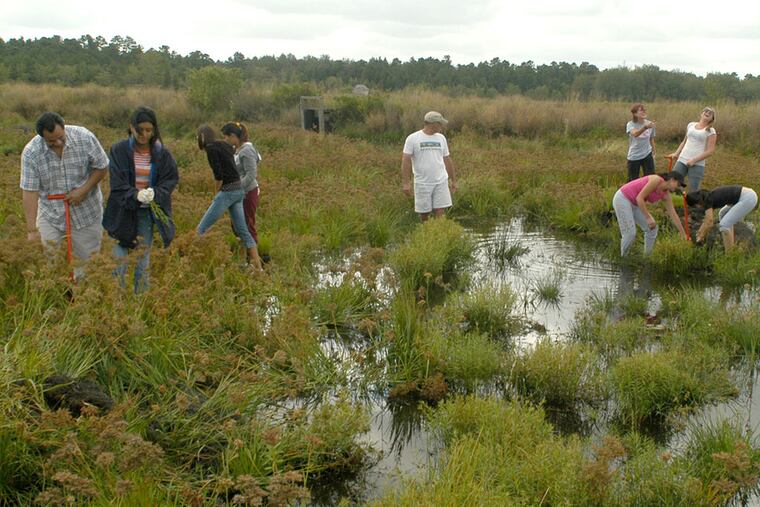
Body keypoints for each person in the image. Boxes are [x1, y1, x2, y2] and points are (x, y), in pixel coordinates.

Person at [20, 112, 109, 275]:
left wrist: (83, 190)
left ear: (64, 127)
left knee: (86, 265)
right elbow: (29, 191)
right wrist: (32, 231)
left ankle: (82, 295)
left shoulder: (84, 138)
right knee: (50, 263)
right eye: (51, 141)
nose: (59, 143)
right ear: (42, 138)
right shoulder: (31, 152)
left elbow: (102, 167)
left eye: (61, 137)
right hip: (51, 214)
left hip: (86, 213)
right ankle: (58, 294)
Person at [102, 107, 179, 293]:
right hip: (122, 211)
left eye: (148, 130)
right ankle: (118, 301)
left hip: (146, 212)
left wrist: (156, 193)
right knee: (119, 258)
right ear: (131, 127)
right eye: (140, 130)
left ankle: (140, 302)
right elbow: (117, 184)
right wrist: (135, 194)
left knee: (142, 259)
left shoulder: (162, 154)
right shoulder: (119, 150)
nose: (144, 134)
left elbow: (171, 179)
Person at [196, 125, 263, 270]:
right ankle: (259, 269)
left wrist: (216, 194)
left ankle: (194, 264)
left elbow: (219, 175)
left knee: (200, 229)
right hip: (239, 191)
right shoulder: (224, 145)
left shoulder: (211, 149)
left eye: (197, 137)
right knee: (243, 232)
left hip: (228, 192)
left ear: (202, 137)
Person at [612, 172, 687, 256]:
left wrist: (683, 233)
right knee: (630, 233)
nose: (679, 187)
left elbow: (673, 214)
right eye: (678, 184)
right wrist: (648, 217)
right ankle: (623, 259)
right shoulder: (656, 180)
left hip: (635, 204)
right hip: (622, 199)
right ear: (672, 179)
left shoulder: (666, 195)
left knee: (652, 229)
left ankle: (647, 256)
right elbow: (639, 198)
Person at [401, 111, 457, 221]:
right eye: (440, 123)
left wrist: (454, 180)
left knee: (440, 211)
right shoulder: (413, 138)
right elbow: (406, 160)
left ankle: (440, 233)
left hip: (441, 181)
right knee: (424, 214)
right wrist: (406, 183)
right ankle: (426, 233)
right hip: (422, 182)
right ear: (433, 124)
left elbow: (447, 159)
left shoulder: (441, 138)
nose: (442, 126)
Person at [221, 122, 261, 244]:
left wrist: (235, 186)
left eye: (226, 137)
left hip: (248, 193)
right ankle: (245, 257)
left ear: (233, 136)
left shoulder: (247, 150)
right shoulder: (236, 150)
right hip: (238, 193)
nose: (225, 139)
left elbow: (251, 175)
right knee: (237, 226)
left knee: (247, 225)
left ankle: (253, 259)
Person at [686, 185, 758, 251]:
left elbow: (710, 222)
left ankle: (729, 255)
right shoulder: (707, 197)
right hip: (747, 195)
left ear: (696, 204)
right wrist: (700, 232)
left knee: (724, 225)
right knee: (722, 214)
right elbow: (707, 219)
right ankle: (731, 245)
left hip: (748, 198)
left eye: (695, 207)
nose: (697, 208)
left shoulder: (707, 201)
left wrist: (700, 237)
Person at [668, 107, 717, 192]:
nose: (708, 113)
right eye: (706, 111)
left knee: (693, 191)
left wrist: (694, 160)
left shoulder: (711, 131)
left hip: (697, 163)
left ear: (712, 118)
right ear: (701, 114)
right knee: (673, 183)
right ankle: (678, 203)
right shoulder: (691, 125)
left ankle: (691, 205)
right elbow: (684, 141)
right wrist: (676, 154)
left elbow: (710, 151)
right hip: (682, 159)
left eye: (711, 113)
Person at [626, 103, 656, 182]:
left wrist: (654, 152)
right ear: (635, 114)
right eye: (641, 110)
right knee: (633, 181)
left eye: (644, 110)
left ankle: (649, 194)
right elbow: (635, 134)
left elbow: (651, 139)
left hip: (647, 154)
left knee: (651, 179)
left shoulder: (649, 123)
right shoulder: (630, 124)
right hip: (634, 156)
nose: (644, 112)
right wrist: (645, 127)